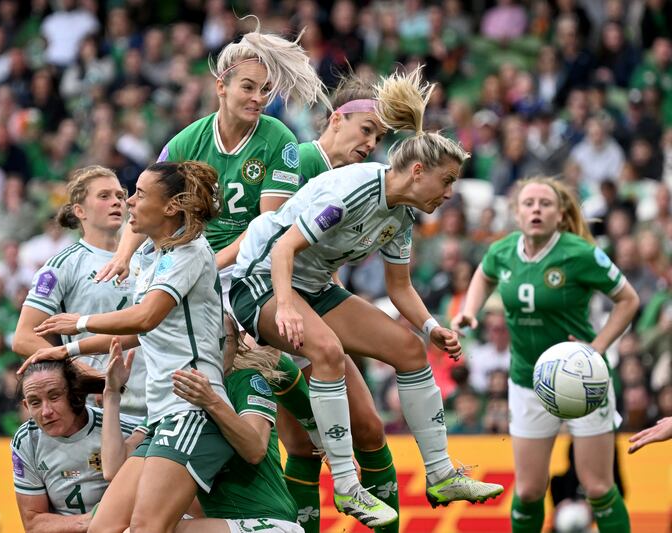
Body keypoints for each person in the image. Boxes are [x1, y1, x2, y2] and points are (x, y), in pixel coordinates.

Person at [230, 66, 503, 527]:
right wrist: (288, 308)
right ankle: (347, 486)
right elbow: (282, 248)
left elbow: (399, 288)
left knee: (407, 350)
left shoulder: (402, 214)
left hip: (313, 289)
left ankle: (439, 473)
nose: (450, 193)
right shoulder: (355, 189)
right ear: (418, 171)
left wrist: (433, 328)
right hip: (260, 284)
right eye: (447, 181)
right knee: (327, 353)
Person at [23, 161, 235, 533]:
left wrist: (80, 323)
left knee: (149, 527)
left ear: (170, 207)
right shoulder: (149, 257)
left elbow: (145, 317)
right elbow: (139, 332)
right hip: (158, 414)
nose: (128, 202)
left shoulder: (187, 251)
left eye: (136, 194)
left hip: (191, 408)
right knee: (106, 527)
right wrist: (68, 352)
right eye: (114, 195)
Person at [95, 18, 330, 316]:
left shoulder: (279, 139)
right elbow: (146, 202)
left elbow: (267, 227)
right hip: (189, 256)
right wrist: (123, 255)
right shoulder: (188, 141)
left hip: (248, 266)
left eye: (265, 89)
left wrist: (210, 266)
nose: (259, 98)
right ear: (222, 86)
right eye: (248, 87)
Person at [451, 176, 640, 533]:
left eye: (545, 204)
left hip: (584, 382)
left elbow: (628, 299)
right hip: (527, 381)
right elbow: (483, 276)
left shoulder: (580, 253)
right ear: (517, 213)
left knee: (599, 488)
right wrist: (469, 311)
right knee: (528, 491)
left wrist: (598, 347)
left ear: (559, 214)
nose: (536, 209)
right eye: (529, 203)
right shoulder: (501, 252)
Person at [276, 75, 401, 533]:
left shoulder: (354, 180)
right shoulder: (303, 161)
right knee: (314, 444)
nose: (371, 144)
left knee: (364, 428)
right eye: (366, 130)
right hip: (279, 314)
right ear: (336, 119)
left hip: (313, 311)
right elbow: (271, 240)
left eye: (379, 137)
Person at [95, 317, 304, 533]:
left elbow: (255, 450)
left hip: (268, 523)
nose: (217, 349)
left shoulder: (245, 381)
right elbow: (114, 468)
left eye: (226, 340)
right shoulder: (177, 398)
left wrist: (211, 401)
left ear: (237, 347)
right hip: (220, 522)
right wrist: (112, 394)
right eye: (209, 340)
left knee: (149, 527)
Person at [12, 165, 147, 417]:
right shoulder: (63, 265)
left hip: (158, 400)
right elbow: (23, 338)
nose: (116, 202)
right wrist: (81, 370)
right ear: (79, 211)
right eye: (104, 196)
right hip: (102, 405)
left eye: (120, 196)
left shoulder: (147, 255)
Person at [11, 359, 141, 532]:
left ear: (75, 394)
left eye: (54, 396)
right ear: (26, 406)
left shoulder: (128, 431)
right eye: (35, 402)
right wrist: (91, 521)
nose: (46, 411)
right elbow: (34, 523)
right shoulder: (26, 441)